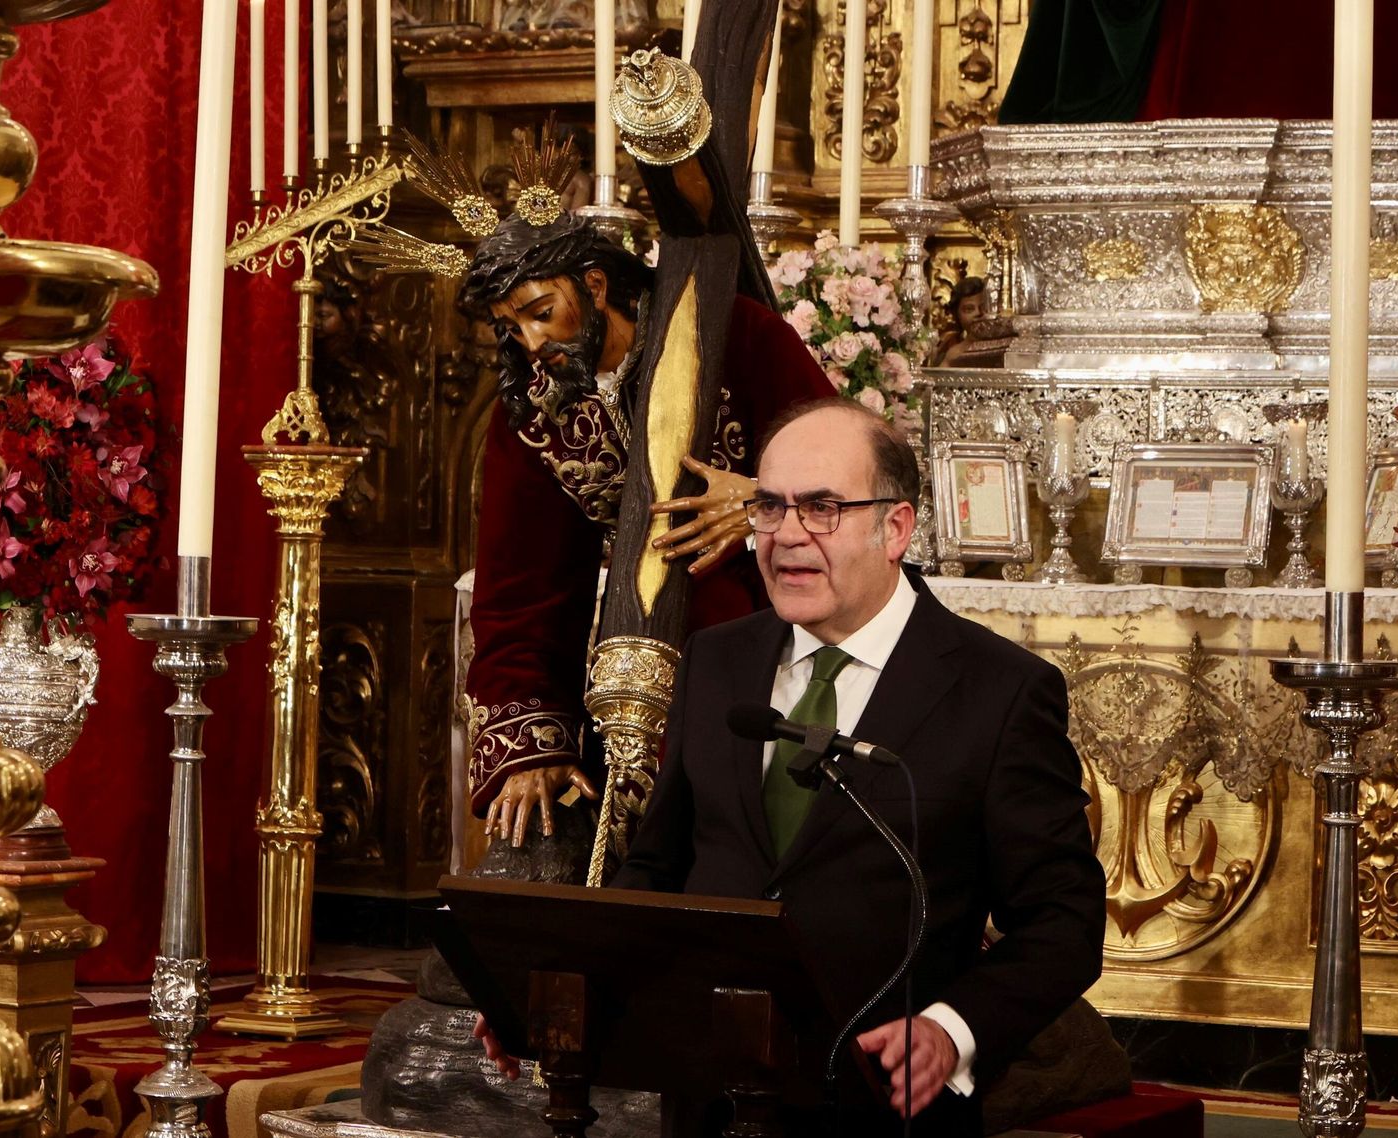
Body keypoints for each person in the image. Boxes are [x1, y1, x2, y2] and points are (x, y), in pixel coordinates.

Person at [604, 399, 1105, 1135]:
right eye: (769, 507)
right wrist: (562, 977)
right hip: (709, 1098)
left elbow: (1064, 923)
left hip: (880, 1107)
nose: (787, 534)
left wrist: (950, 1029)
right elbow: (657, 866)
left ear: (895, 528)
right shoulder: (715, 661)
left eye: (822, 508)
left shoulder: (998, 692)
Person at [461, 211, 833, 848]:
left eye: (541, 313)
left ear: (595, 284)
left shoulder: (734, 332)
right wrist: (532, 745)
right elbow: (520, 587)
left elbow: (851, 468)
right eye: (511, 328)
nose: (531, 342)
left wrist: (762, 501)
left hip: (776, 637)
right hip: (633, 666)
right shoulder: (535, 411)